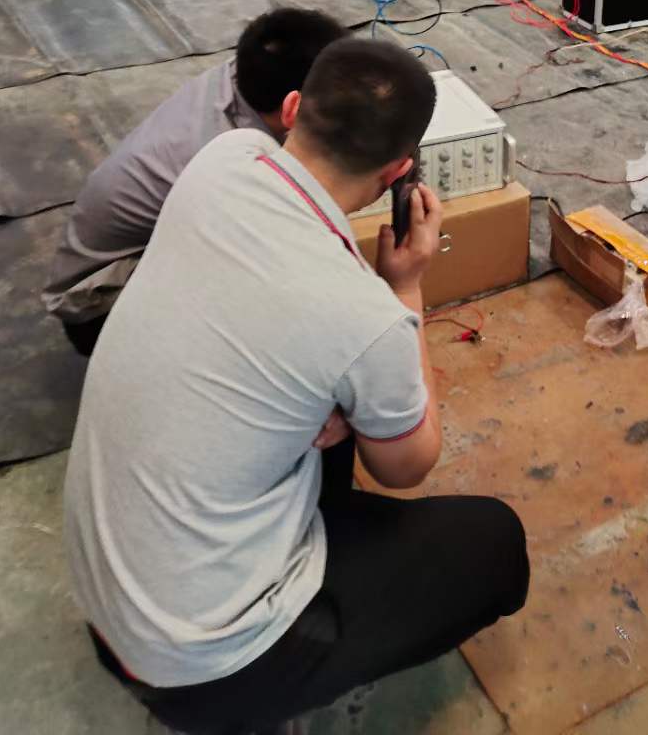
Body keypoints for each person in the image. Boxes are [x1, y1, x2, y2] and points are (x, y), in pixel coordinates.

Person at [63, 37, 529, 735]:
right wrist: (405, 287)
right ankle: (273, 687)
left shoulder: (223, 159)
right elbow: (406, 466)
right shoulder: (364, 317)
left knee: (333, 411)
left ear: (289, 110)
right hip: (203, 669)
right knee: (496, 542)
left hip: (111, 602)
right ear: (398, 172)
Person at [43, 6, 345, 356]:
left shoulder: (250, 74)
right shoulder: (231, 164)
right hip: (98, 307)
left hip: (125, 253)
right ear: (294, 106)